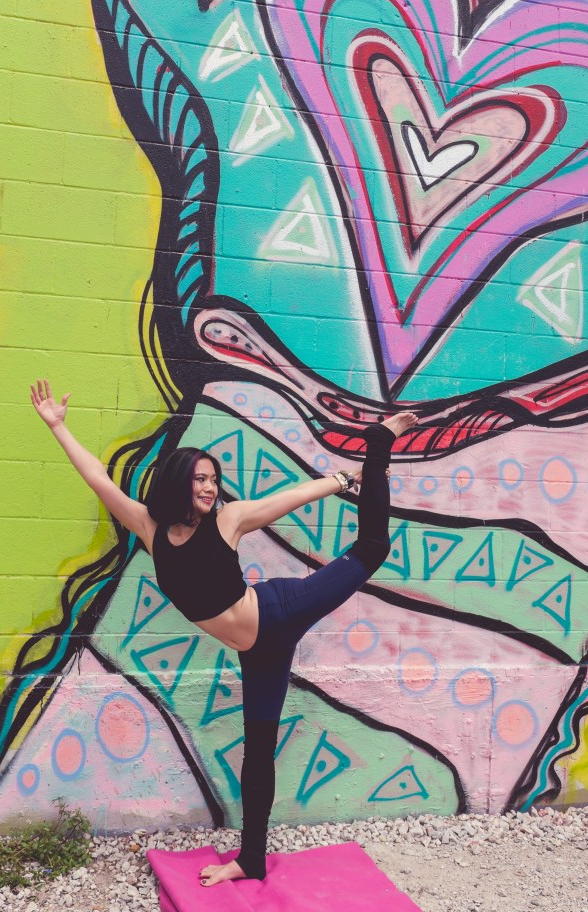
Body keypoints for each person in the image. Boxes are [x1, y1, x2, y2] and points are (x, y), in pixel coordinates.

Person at [30, 378, 417, 887]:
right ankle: (251, 859)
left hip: (280, 611)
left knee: (372, 548)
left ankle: (379, 443)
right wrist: (58, 427)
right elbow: (99, 479)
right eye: (200, 479)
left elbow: (290, 498)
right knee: (257, 752)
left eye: (213, 478)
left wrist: (346, 479)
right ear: (178, 482)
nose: (210, 487)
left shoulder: (228, 520)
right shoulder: (150, 529)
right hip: (259, 652)